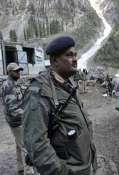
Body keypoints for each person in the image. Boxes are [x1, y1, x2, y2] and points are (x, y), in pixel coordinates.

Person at [22, 36, 97, 175]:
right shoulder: (39, 91)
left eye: (75, 55)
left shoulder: (69, 84)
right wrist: (61, 171)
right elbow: (36, 144)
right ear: (54, 60)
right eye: (69, 55)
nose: (75, 59)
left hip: (84, 166)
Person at [1, 63, 33, 175]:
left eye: (19, 70)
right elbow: (13, 110)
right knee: (25, 146)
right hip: (16, 121)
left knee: (19, 145)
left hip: (19, 120)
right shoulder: (8, 86)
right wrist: (28, 115)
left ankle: (20, 168)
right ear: (9, 72)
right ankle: (29, 171)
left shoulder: (14, 83)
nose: (19, 72)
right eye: (16, 71)